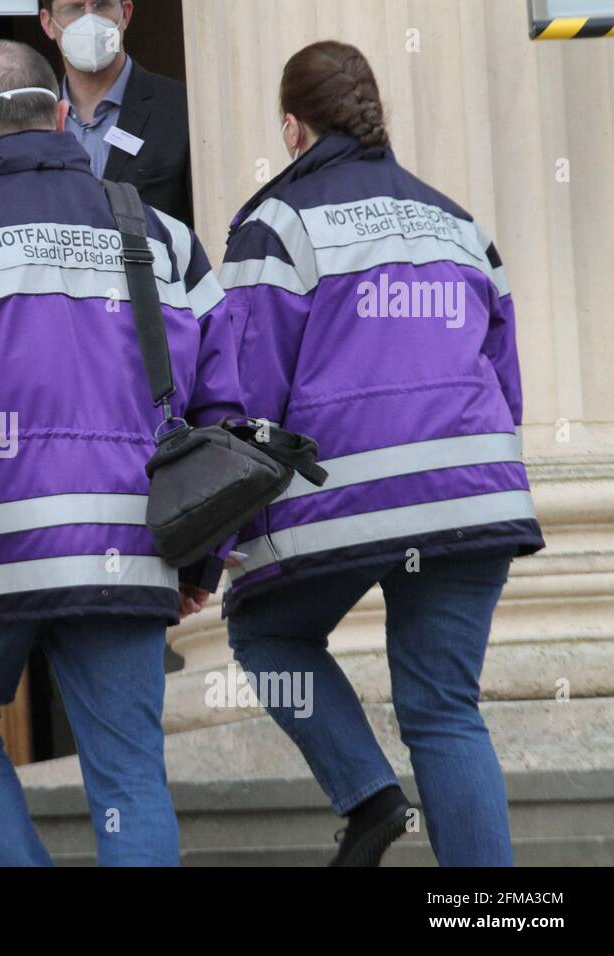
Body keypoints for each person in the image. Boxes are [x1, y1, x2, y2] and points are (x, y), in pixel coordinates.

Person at [0, 39, 243, 866]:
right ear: (64, 116)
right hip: (129, 547)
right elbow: (225, 403)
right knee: (130, 775)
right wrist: (199, 558)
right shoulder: (160, 232)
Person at [219, 40, 545, 867]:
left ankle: (369, 798)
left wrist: (229, 538)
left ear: (292, 128)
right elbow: (506, 381)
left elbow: (249, 393)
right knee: (443, 708)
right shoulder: (456, 220)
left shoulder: (277, 223)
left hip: (347, 497)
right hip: (477, 498)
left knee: (265, 632)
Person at [37, 0, 194, 224]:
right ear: (48, 24)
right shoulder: (31, 119)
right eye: (74, 8)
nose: (89, 20)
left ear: (126, 14)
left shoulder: (180, 107)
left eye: (102, 5)